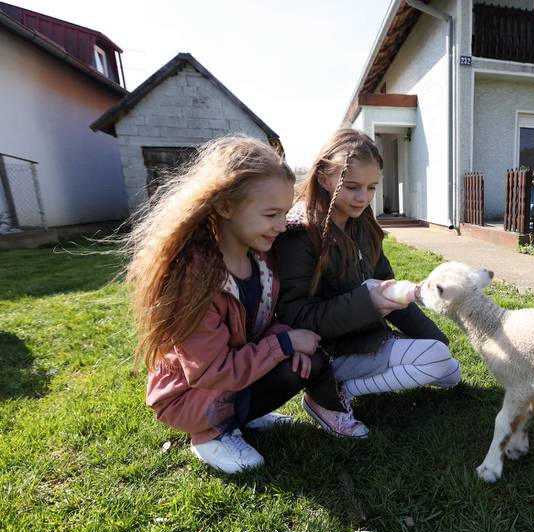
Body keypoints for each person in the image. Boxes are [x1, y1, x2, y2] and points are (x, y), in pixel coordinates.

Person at [125, 135, 346, 474]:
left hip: (230, 378)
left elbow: (256, 325)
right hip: (193, 395)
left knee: (303, 363)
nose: (282, 225)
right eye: (271, 213)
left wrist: (288, 338)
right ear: (225, 206)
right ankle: (210, 435)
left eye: (285, 213)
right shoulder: (195, 281)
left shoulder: (260, 259)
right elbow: (211, 371)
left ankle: (244, 416)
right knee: (290, 356)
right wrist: (286, 343)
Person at [274, 128, 461, 439]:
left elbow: (391, 290)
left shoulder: (364, 226)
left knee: (450, 369)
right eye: (352, 187)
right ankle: (329, 395)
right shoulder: (300, 234)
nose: (364, 197)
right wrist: (367, 303)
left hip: (371, 338)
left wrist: (431, 335)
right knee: (435, 359)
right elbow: (295, 316)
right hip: (330, 353)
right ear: (324, 178)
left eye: (372, 187)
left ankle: (364, 375)